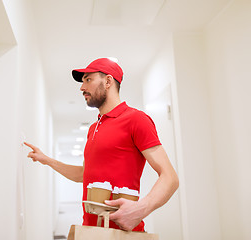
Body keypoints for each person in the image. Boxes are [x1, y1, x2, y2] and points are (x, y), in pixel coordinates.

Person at [24, 58, 179, 232]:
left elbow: (170, 177)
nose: (82, 88)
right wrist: (47, 160)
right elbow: (84, 174)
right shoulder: (94, 128)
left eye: (88, 80)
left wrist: (141, 209)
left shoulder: (136, 120)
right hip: (91, 230)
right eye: (83, 82)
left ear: (108, 81)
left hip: (124, 233)